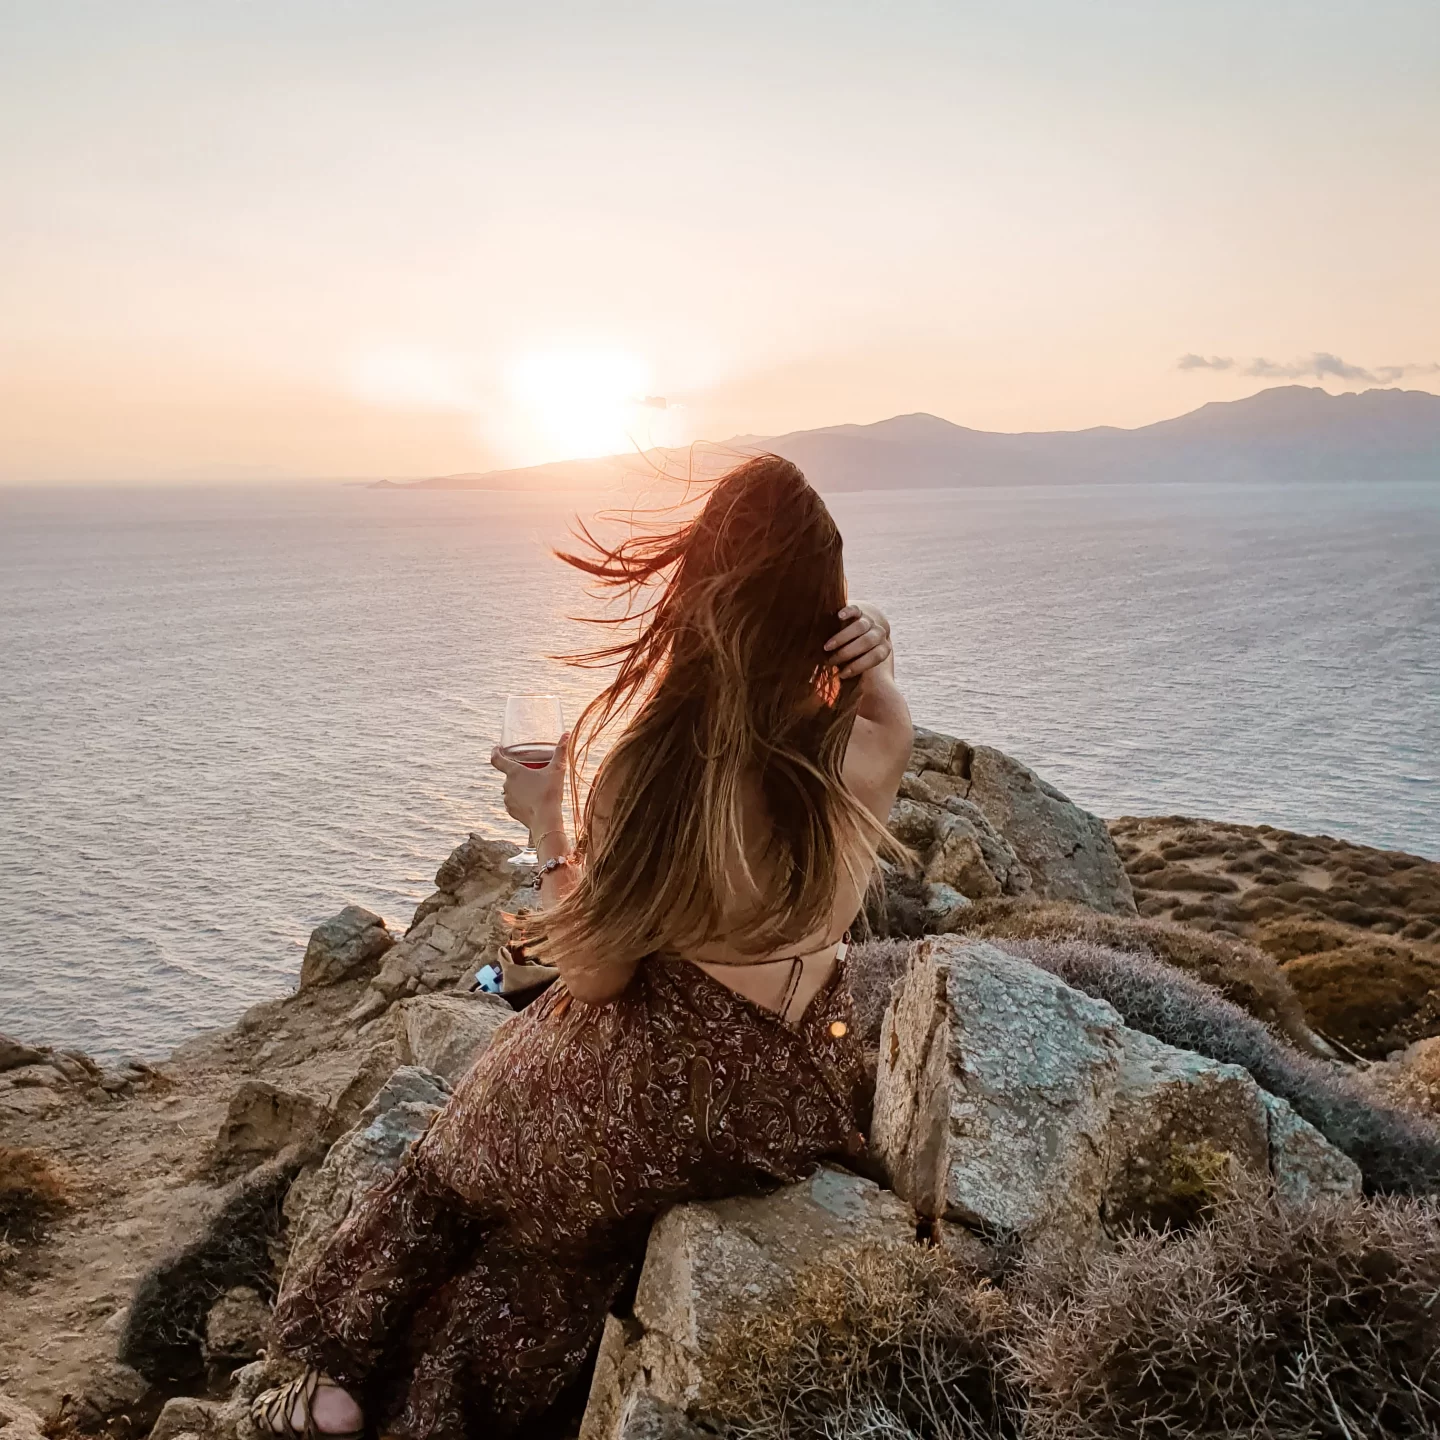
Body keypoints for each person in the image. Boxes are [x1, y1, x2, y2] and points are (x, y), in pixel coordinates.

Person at [251, 455, 913, 1440]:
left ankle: (334, 1382)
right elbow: (876, 709)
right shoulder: (872, 744)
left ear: (697, 593)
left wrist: (546, 823)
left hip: (650, 1086)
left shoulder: (653, 768)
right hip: (790, 1099)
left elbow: (597, 975)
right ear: (826, 607)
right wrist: (872, 664)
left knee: (445, 1171)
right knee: (556, 1251)